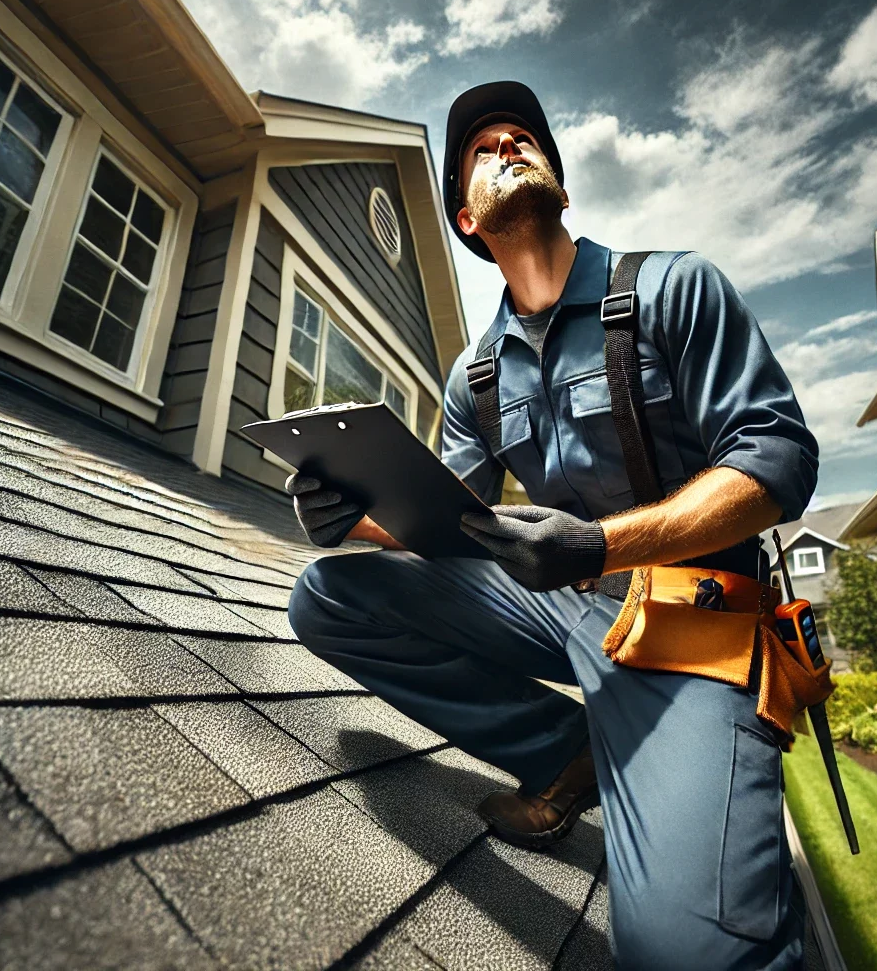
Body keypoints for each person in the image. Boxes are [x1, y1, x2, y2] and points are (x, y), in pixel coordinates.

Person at [286, 81, 818, 970]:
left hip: (693, 630)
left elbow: (777, 463)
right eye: (483, 147)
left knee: (683, 954)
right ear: (465, 216)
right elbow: (441, 518)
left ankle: (704, 838)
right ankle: (565, 752)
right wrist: (351, 514)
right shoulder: (477, 376)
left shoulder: (673, 287)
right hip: (560, 605)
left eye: (523, 137)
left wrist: (601, 543)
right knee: (329, 595)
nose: (507, 146)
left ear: (560, 188)